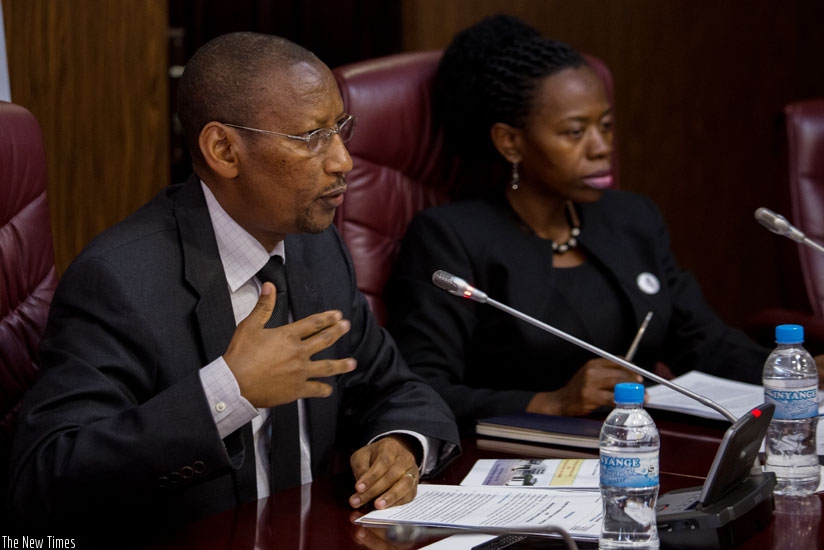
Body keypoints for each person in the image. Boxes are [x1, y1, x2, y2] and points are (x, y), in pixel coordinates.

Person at [9, 32, 459, 540]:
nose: (342, 161)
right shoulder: (120, 280)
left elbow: (393, 386)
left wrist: (399, 443)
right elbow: (46, 480)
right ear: (224, 149)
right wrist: (228, 392)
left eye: (340, 129)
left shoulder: (317, 248)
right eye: (312, 138)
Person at [384, 14, 824, 434]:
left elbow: (701, 341)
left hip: (647, 448)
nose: (601, 148)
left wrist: (797, 371)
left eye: (607, 126)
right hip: (513, 462)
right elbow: (420, 390)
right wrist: (549, 401)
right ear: (511, 141)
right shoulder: (450, 237)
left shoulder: (631, 217)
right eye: (575, 132)